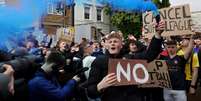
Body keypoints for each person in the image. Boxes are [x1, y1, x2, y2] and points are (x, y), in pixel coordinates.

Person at [87, 21, 165, 101]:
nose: (112, 44)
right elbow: (90, 92)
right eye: (110, 42)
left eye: (115, 41)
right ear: (106, 46)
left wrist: (158, 34)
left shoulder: (130, 58)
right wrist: (100, 86)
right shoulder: (99, 61)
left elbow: (150, 54)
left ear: (121, 45)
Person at [160, 37, 194, 101]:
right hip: (167, 89)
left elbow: (189, 49)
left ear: (176, 47)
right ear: (166, 48)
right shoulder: (163, 59)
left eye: (172, 47)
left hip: (180, 89)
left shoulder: (181, 58)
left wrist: (191, 38)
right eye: (169, 47)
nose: (170, 49)